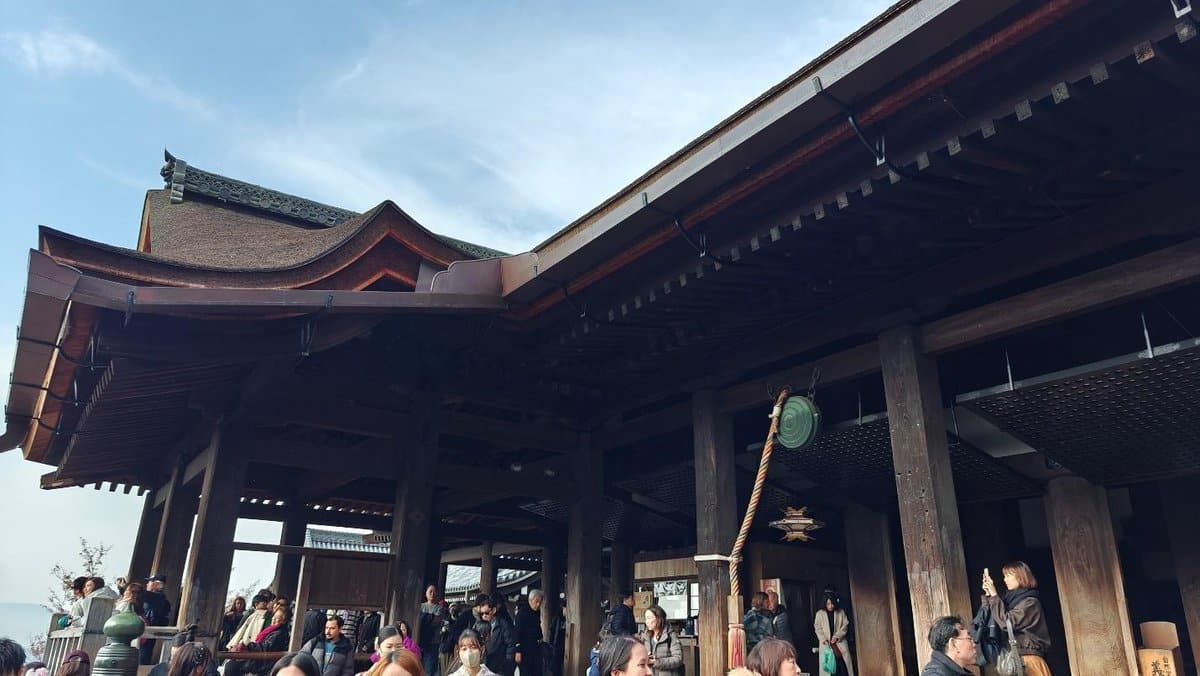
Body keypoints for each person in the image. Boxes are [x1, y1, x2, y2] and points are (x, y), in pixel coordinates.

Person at [982, 562, 1052, 676]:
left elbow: (1006, 622)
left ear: (1021, 577)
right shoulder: (1008, 601)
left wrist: (994, 595)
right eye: (1004, 576)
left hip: (1029, 661)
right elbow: (993, 619)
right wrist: (989, 595)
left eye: (1008, 575)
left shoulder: (1030, 603)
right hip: (1014, 661)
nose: (1005, 580)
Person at [225, 607, 294, 676]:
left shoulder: (279, 634)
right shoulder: (273, 631)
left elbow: (265, 648)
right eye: (274, 616)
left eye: (278, 618)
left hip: (264, 663)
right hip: (261, 660)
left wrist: (247, 647)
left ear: (284, 621)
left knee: (231, 666)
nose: (273, 619)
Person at [813, 594, 853, 676]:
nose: (831, 606)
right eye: (828, 604)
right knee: (828, 668)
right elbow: (817, 627)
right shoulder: (819, 614)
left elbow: (845, 625)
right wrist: (823, 639)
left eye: (832, 603)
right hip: (826, 644)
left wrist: (837, 636)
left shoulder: (840, 612)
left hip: (839, 643)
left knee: (842, 668)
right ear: (824, 603)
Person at [149, 629, 218, 676]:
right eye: (173, 656)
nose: (175, 661)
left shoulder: (205, 669)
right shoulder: (158, 669)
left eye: (179, 656)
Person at [480, 597, 516, 676]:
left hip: (500, 666)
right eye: (482, 613)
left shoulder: (503, 625)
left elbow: (511, 645)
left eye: (486, 613)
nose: (484, 616)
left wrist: (507, 664)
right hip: (485, 665)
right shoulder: (479, 625)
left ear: (493, 610)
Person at [641, 605, 682, 676]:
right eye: (645, 619)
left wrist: (656, 662)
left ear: (658, 618)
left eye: (649, 618)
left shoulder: (670, 636)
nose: (646, 622)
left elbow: (678, 659)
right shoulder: (645, 637)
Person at [142, 574, 173, 665]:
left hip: (147, 634)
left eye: (150, 582)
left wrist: (124, 588)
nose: (147, 584)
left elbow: (139, 593)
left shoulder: (158, 597)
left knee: (142, 660)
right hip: (145, 633)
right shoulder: (154, 598)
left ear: (158, 584)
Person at [514, 591, 544, 676]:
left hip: (535, 648)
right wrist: (518, 651)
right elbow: (517, 633)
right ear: (530, 600)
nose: (538, 604)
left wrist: (540, 636)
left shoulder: (536, 612)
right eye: (536, 602)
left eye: (540, 602)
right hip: (524, 650)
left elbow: (538, 626)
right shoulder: (522, 613)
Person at [420, 586, 447, 676]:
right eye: (430, 591)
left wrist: (423, 617)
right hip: (419, 640)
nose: (432, 594)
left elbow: (435, 621)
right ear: (426, 593)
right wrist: (429, 617)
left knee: (429, 670)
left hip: (433, 642)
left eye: (434, 592)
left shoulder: (439, 608)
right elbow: (417, 620)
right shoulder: (420, 606)